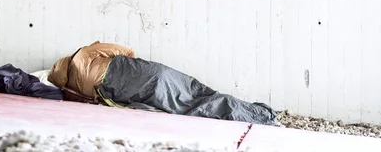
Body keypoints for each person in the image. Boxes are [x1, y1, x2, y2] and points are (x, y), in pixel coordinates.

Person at [48, 41, 280, 126]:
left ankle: (255, 115)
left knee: (193, 107)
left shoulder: (76, 90)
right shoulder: (85, 53)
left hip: (140, 94)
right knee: (201, 93)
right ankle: (261, 115)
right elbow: (127, 51)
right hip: (149, 73)